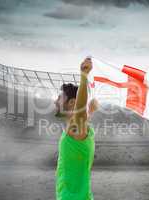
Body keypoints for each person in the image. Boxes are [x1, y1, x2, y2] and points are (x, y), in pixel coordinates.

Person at [54, 57, 95, 200]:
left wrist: (84, 76)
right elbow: (83, 114)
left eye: (60, 98)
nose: (55, 101)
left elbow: (81, 112)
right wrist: (91, 111)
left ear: (72, 102)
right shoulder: (79, 129)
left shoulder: (76, 128)